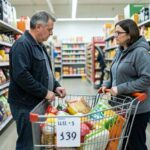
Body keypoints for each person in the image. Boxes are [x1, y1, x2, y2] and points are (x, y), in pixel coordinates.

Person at [8, 11, 66, 150]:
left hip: (37, 102)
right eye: (50, 29)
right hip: (25, 105)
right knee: (28, 143)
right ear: (39, 27)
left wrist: (55, 86)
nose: (51, 33)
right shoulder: (22, 45)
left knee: (37, 141)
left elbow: (46, 71)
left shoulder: (40, 45)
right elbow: (22, 76)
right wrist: (45, 92)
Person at [99, 19, 150, 150]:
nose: (115, 36)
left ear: (129, 34)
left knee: (135, 144)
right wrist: (106, 84)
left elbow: (146, 79)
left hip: (136, 109)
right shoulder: (119, 51)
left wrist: (120, 88)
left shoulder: (140, 52)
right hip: (121, 106)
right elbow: (113, 73)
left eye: (118, 33)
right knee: (125, 143)